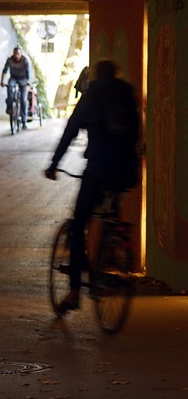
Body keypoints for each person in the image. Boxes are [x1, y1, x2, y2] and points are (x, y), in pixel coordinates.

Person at [45, 60, 141, 311]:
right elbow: (137, 134)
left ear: (95, 77)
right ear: (117, 74)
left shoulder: (92, 96)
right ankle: (113, 249)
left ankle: (75, 291)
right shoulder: (127, 94)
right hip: (125, 171)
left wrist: (54, 163)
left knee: (79, 225)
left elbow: (70, 131)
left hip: (98, 169)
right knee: (112, 210)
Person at [0, 47, 32, 128]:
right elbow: (5, 71)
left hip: (23, 79)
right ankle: (10, 106)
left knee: (23, 100)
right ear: (13, 54)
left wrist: (28, 81)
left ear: (21, 54)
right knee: (10, 87)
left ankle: (24, 122)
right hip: (13, 78)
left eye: (18, 54)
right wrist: (2, 81)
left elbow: (28, 72)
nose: (16, 56)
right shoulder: (10, 60)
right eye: (15, 54)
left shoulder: (25, 61)